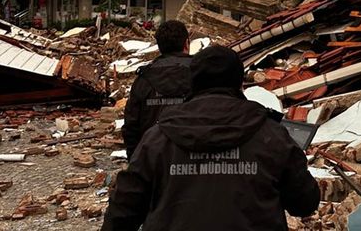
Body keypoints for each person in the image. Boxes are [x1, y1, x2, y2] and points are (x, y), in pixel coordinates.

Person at [102, 45, 320, 231]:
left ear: (193, 83)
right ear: (239, 84)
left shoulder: (158, 138)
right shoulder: (272, 135)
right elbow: (304, 202)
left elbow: (124, 210)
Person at [121, 20, 192, 159]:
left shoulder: (144, 79)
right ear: (186, 44)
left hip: (153, 160)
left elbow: (131, 126)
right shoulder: (203, 75)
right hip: (195, 163)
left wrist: (136, 163)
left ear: (159, 47)